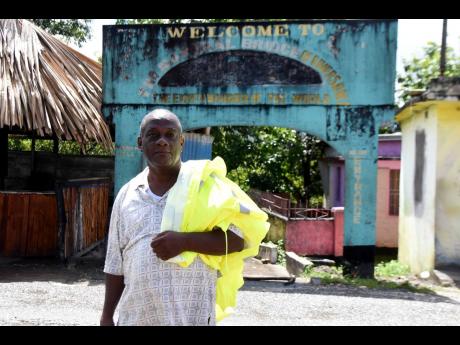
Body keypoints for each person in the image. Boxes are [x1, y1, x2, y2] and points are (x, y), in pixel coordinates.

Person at [100, 108, 268, 326]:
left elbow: (237, 240)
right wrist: (106, 315)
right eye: (154, 135)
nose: (162, 141)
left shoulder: (206, 186)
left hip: (191, 317)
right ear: (140, 143)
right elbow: (116, 262)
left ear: (181, 142)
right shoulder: (127, 194)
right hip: (137, 318)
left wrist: (185, 241)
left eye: (170, 135)